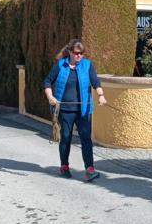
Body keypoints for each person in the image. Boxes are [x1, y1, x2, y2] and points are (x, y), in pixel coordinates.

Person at [43, 39, 107, 181]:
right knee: (66, 137)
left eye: (81, 53)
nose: (79, 56)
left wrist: (101, 95)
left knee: (86, 138)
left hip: (84, 110)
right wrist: (50, 97)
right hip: (65, 110)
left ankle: (90, 169)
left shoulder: (87, 65)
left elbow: (95, 82)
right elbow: (47, 81)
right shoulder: (61, 65)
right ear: (70, 52)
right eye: (77, 53)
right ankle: (64, 166)